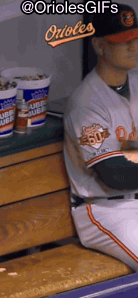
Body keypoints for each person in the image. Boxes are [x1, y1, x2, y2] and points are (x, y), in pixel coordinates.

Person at [63, 2, 138, 271]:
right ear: (99, 46)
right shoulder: (86, 103)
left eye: (136, 38)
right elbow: (114, 175)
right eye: (122, 41)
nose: (133, 46)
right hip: (105, 210)